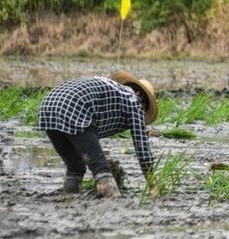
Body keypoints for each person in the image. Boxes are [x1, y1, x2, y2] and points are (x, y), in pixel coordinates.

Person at [38, 71, 159, 199]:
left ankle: (69, 201)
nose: (142, 114)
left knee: (75, 166)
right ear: (141, 96)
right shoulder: (134, 101)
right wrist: (153, 187)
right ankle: (115, 202)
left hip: (48, 106)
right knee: (99, 166)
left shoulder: (115, 92)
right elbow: (142, 149)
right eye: (144, 110)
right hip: (75, 105)